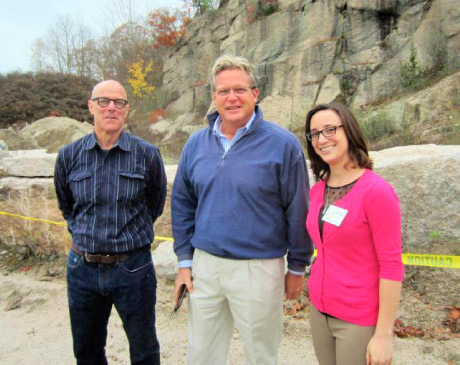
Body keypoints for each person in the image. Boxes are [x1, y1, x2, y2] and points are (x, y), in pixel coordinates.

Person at [171, 55, 312, 364]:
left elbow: (299, 209)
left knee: (261, 354)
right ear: (213, 97)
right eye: (223, 91)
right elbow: (182, 203)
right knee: (201, 353)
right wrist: (184, 261)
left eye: (239, 89)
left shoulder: (283, 145)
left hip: (258, 268)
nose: (231, 97)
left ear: (255, 94)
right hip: (205, 266)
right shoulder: (196, 145)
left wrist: (297, 266)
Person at [54, 80, 167, 364]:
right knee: (87, 351)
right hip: (83, 270)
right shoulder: (69, 156)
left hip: (133, 268)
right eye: (103, 101)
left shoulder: (147, 155)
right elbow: (67, 206)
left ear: (127, 110)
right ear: (91, 106)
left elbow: (155, 205)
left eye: (119, 102)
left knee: (144, 351)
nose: (111, 108)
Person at [304, 102, 404, 365]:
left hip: (357, 320)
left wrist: (383, 335)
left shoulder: (376, 192)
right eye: (314, 134)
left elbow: (392, 266)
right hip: (320, 312)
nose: (321, 139)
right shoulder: (317, 192)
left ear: (348, 131)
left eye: (329, 129)